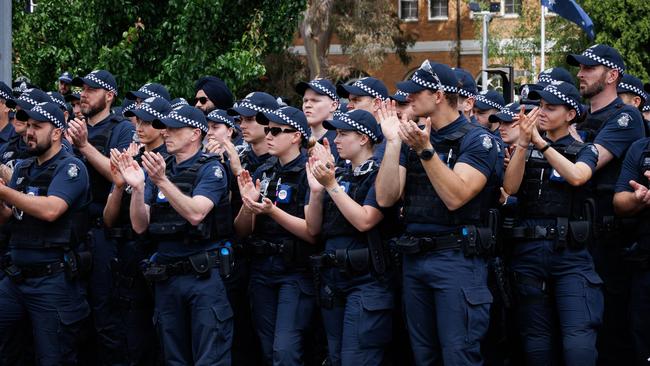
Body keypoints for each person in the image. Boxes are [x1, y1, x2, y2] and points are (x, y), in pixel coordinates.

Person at [375, 60, 499, 365]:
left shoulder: (476, 140)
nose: (408, 99)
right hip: (415, 259)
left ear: (439, 95)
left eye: (415, 93)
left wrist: (426, 151)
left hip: (455, 259)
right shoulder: (411, 138)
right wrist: (393, 143)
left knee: (458, 355)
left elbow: (456, 197)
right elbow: (386, 197)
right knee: (424, 356)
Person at [118, 104, 234, 365]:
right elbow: (139, 225)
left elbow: (196, 214)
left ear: (195, 133)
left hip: (202, 275)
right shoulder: (160, 167)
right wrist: (137, 189)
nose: (166, 134)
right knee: (173, 359)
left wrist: (160, 181)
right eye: (165, 128)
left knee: (209, 357)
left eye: (173, 129)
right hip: (167, 276)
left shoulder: (210, 169)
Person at [501, 81, 603, 365]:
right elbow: (510, 188)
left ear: (570, 114)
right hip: (529, 254)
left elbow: (578, 176)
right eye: (540, 106)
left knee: (578, 343)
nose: (542, 112)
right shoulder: (529, 144)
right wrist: (523, 143)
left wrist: (540, 143)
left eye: (551, 107)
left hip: (569, 255)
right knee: (536, 345)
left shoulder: (585, 148)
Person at [566, 44, 646, 365]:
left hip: (609, 242)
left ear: (612, 75)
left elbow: (588, 163)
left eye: (589, 68)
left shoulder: (625, 117)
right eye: (580, 68)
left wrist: (568, 140)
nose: (580, 74)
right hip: (576, 237)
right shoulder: (581, 116)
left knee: (610, 335)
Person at [0, 101, 91, 365]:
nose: (29, 131)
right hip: (16, 277)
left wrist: (5, 192)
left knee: (54, 357)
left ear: (56, 132)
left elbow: (52, 209)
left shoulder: (71, 168)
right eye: (27, 125)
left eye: (37, 126)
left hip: (53, 281)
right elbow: (8, 219)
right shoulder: (23, 169)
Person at [305, 109, 396, 365]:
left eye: (343, 134)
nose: (336, 139)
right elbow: (313, 229)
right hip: (333, 279)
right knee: (334, 357)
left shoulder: (379, 173)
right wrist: (316, 191)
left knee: (357, 358)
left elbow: (365, 220)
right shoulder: (339, 174)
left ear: (364, 139)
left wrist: (331, 186)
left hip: (367, 281)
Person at [234, 106, 317, 365]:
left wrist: (272, 211)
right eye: (267, 129)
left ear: (296, 136)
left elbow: (313, 232)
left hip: (294, 270)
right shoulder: (264, 172)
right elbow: (241, 230)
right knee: (268, 351)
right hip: (262, 270)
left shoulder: (309, 171)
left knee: (286, 350)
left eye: (276, 130)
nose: (268, 135)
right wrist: (248, 206)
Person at [67, 69, 136, 365]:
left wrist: (83, 146)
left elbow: (118, 174)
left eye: (91, 89)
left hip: (105, 236)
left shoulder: (120, 129)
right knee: (73, 320)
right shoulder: (73, 127)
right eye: (82, 88)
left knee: (107, 321)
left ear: (109, 96)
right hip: (72, 236)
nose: (83, 93)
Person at [102, 96, 171, 365]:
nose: (139, 127)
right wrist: (119, 185)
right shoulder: (132, 159)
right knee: (130, 340)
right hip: (129, 258)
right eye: (137, 120)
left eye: (147, 121)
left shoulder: (172, 161)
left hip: (160, 258)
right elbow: (108, 219)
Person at [296, 79, 340, 159]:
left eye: (315, 100)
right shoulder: (297, 139)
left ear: (333, 106)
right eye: (305, 101)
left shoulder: (341, 142)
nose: (307, 105)